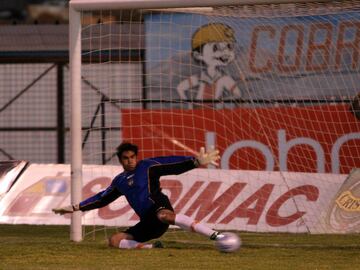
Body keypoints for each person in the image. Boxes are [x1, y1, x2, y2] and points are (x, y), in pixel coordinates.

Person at [53, 142, 223, 249]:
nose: (130, 160)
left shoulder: (147, 166)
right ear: (120, 160)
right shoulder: (119, 181)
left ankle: (215, 235)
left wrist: (195, 162)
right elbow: (101, 199)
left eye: (133, 157)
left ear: (137, 157)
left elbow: (171, 164)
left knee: (164, 215)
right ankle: (151, 247)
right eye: (126, 158)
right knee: (114, 241)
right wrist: (75, 207)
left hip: (158, 207)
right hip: (147, 222)